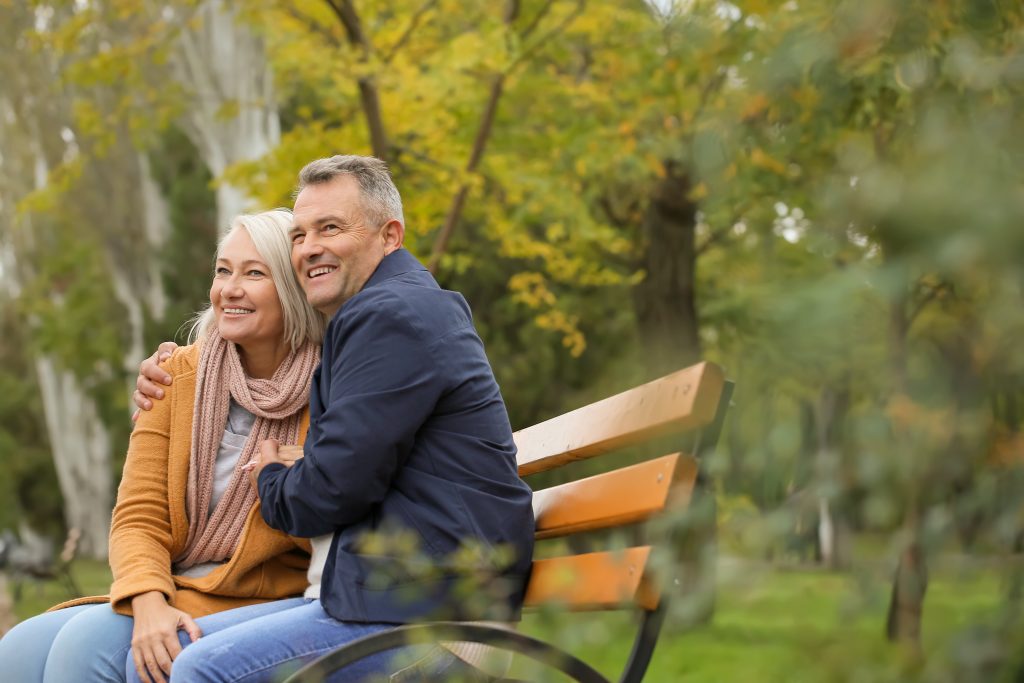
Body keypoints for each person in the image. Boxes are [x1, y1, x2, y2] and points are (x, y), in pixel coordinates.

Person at [132, 155, 535, 682]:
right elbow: (346, 470)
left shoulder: (389, 317)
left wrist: (272, 477)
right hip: (390, 603)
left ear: (390, 235)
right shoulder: (387, 312)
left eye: (331, 228)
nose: (309, 247)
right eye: (299, 235)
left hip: (438, 623)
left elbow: (330, 492)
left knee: (200, 671)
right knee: (169, 663)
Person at [0, 210, 325, 683]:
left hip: (261, 597)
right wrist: (149, 603)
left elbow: (324, 525)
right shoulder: (176, 377)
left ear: (294, 291)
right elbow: (138, 516)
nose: (229, 288)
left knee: (83, 647)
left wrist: (289, 476)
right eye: (222, 270)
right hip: (172, 583)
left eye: (254, 273)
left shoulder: (333, 389)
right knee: (17, 650)